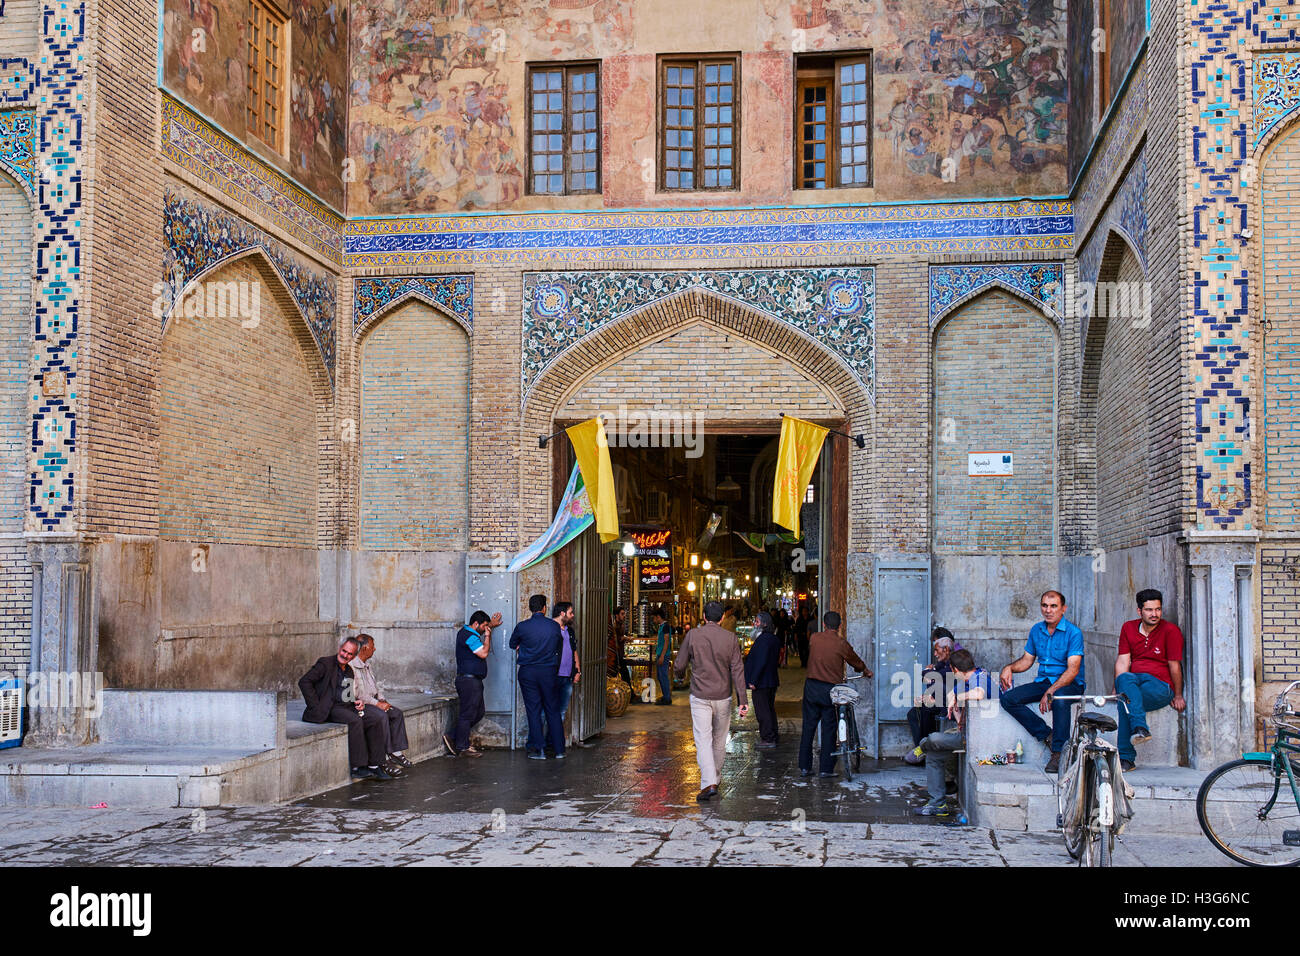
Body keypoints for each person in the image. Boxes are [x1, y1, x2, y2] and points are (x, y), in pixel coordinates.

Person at [999, 590, 1085, 773]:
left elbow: (1073, 670)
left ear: (1063, 609)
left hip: (1070, 684)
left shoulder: (1073, 633)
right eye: (1045, 605)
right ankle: (1047, 734)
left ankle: (1059, 752)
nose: (1048, 610)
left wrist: (1051, 691)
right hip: (1044, 681)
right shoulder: (1037, 630)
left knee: (1059, 699)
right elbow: (1027, 660)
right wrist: (1009, 668)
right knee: (1008, 699)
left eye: (1053, 606)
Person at [673, 600, 749, 802]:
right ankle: (714, 778)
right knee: (719, 740)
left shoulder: (693, 635)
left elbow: (680, 664)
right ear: (722, 617)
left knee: (703, 739)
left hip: (700, 696)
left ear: (704, 617)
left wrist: (679, 675)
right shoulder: (731, 638)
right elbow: (738, 670)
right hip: (723, 696)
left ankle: (709, 783)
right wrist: (743, 700)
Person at [298, 637, 393, 780]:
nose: (345, 655)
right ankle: (358, 767)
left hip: (345, 706)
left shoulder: (348, 670)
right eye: (344, 651)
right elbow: (304, 682)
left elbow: (347, 695)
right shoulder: (325, 663)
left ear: (354, 656)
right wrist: (315, 705)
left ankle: (375, 765)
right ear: (339, 648)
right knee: (355, 721)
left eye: (349, 654)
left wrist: (357, 702)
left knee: (375, 718)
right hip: (328, 708)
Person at [914, 648, 993, 815]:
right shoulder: (964, 681)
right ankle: (938, 805)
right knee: (934, 756)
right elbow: (951, 694)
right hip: (966, 734)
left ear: (955, 669)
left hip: (983, 739)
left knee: (933, 739)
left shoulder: (981, 677)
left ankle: (922, 745)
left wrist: (959, 697)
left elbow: (979, 694)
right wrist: (954, 704)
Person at [1114, 588, 1186, 771]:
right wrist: (1116, 686)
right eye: (1149, 610)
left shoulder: (1171, 631)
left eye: (1158, 609)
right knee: (1124, 690)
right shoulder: (1128, 628)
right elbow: (1123, 661)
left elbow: (1175, 666)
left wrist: (1177, 695)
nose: (1155, 614)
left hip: (1160, 686)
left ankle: (1127, 756)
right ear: (1140, 611)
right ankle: (1138, 734)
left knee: (1126, 702)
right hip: (1134, 681)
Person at [800, 611, 872, 777]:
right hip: (830, 690)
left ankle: (805, 766)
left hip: (811, 687)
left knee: (808, 727)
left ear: (824, 624)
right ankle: (825, 769)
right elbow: (856, 661)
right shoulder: (841, 643)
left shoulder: (814, 638)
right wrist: (865, 670)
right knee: (829, 728)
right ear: (840, 626)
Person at [510, 594, 565, 759]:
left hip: (528, 672)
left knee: (533, 710)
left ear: (530, 608)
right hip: (548, 671)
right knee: (553, 710)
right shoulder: (553, 626)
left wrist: (525, 647)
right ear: (544, 608)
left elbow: (513, 644)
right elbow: (559, 646)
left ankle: (539, 749)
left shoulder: (522, 627)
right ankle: (559, 750)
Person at [444, 610, 502, 757]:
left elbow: (477, 640)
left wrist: (491, 626)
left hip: (473, 680)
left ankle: (453, 736)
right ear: (476, 624)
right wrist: (488, 636)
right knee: (467, 714)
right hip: (469, 681)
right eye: (484, 626)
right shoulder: (468, 636)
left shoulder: (468, 634)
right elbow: (483, 653)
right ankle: (462, 747)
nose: (485, 629)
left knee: (478, 712)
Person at [350, 633, 410, 775]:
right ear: (364, 648)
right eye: (372, 646)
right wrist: (377, 704)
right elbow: (358, 694)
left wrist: (382, 699)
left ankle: (396, 752)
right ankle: (383, 757)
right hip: (363, 704)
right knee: (380, 716)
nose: (375, 649)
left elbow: (375, 686)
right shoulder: (352, 666)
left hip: (374, 701)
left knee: (395, 713)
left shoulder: (367, 665)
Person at [904, 629, 958, 765]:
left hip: (952, 701)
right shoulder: (944, 661)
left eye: (936, 649)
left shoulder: (955, 660)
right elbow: (926, 674)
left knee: (926, 708)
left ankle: (924, 750)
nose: (934, 654)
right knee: (915, 711)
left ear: (946, 649)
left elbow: (936, 678)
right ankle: (922, 748)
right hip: (942, 697)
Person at [744, 610, 781, 748]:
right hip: (770, 680)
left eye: (757, 622)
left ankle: (768, 738)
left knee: (763, 711)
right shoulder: (772, 639)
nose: (755, 624)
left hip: (762, 681)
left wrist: (754, 680)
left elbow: (761, 661)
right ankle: (773, 735)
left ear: (764, 624)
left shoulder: (763, 640)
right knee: (769, 709)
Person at [549, 601, 581, 742]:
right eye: (570, 612)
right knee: (548, 712)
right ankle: (546, 742)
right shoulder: (549, 629)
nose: (572, 615)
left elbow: (574, 651)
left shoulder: (570, 631)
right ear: (562, 613)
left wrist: (577, 671)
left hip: (567, 677)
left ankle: (554, 742)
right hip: (552, 676)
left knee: (561, 711)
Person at [652, 607, 673, 705]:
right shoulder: (661, 626)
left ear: (658, 617)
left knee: (663, 676)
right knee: (660, 676)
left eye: (654, 618)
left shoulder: (665, 626)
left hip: (663, 655)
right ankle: (665, 696)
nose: (653, 620)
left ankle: (667, 698)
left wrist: (662, 656)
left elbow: (666, 642)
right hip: (660, 653)